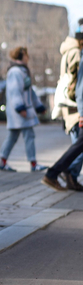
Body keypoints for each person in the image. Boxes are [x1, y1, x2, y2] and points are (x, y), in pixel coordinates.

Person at [0, 46, 47, 172]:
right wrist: (20, 108)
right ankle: (33, 163)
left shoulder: (22, 71)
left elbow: (29, 91)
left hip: (21, 111)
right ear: (21, 56)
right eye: (26, 54)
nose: (28, 57)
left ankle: (3, 162)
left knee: (13, 137)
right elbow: (15, 92)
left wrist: (39, 106)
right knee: (29, 135)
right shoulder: (16, 72)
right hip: (20, 112)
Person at [51, 26, 83, 190]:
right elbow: (79, 83)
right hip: (75, 105)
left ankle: (68, 175)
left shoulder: (67, 52)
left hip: (70, 103)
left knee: (77, 144)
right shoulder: (77, 53)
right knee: (78, 145)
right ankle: (62, 172)